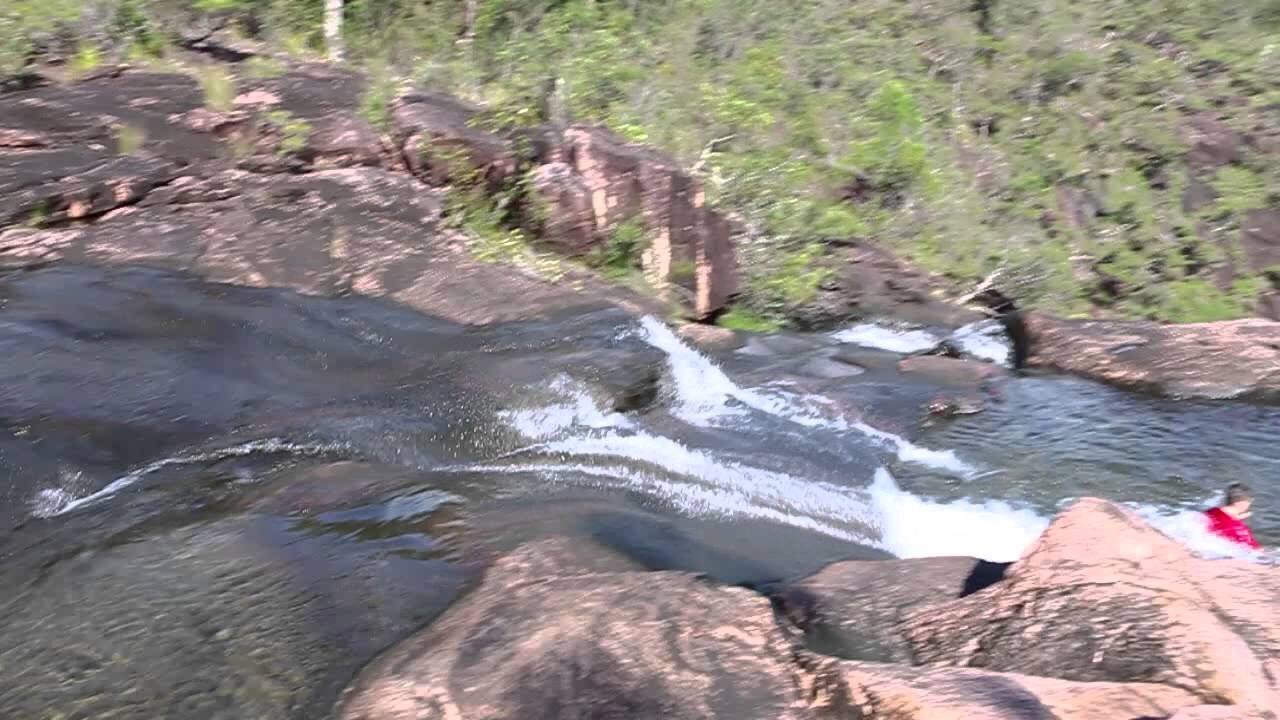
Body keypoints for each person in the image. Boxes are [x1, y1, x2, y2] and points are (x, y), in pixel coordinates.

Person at [1204, 483, 1262, 550]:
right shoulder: (1240, 530)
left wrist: (1237, 518)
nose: (1249, 505)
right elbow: (1257, 552)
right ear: (1241, 502)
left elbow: (1223, 520)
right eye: (1249, 501)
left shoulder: (1211, 511)